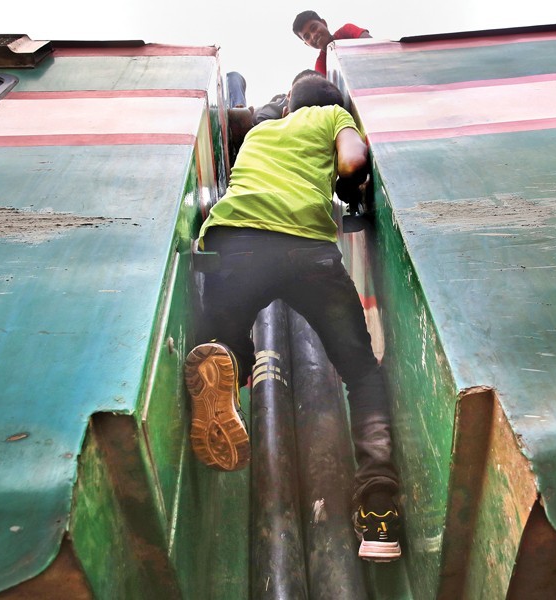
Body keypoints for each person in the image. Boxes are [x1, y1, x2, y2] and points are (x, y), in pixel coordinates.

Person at [184, 74, 402, 562]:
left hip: (233, 242)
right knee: (362, 374)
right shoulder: (331, 117)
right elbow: (352, 159)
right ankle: (379, 513)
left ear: (288, 108)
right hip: (307, 252)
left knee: (224, 340)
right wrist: (349, 189)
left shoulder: (261, 133)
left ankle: (229, 362)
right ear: (332, 104)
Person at [292, 10, 371, 75]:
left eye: (314, 28)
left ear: (324, 23)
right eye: (307, 37)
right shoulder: (321, 65)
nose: (313, 36)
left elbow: (372, 46)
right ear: (307, 44)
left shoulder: (347, 31)